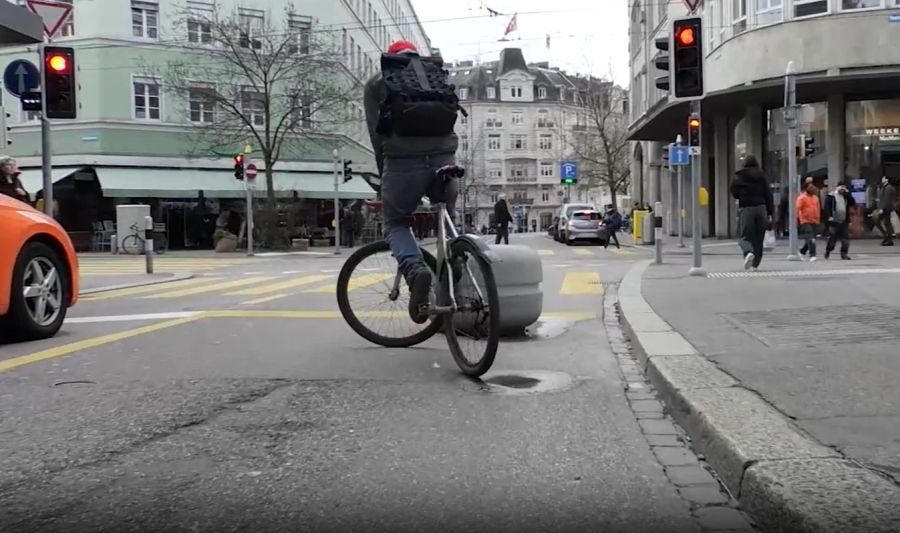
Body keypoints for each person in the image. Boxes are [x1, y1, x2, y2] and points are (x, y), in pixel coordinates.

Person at [364, 40, 461, 323]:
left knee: (396, 222)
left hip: (403, 163)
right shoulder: (437, 75)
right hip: (445, 158)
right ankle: (458, 258)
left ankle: (415, 270)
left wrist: (385, 175)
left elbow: (376, 135)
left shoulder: (378, 83)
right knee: (447, 214)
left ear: (391, 58)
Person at [731, 155, 774, 270]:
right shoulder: (762, 175)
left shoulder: (739, 175)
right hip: (762, 208)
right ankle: (755, 264)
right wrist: (770, 212)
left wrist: (741, 194)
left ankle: (748, 252)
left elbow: (734, 192)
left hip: (747, 208)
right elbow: (768, 194)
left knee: (744, 236)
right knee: (759, 238)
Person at [823, 181, 856, 260]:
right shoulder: (831, 196)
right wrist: (829, 216)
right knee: (832, 239)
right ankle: (828, 251)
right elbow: (827, 207)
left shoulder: (845, 196)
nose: (842, 189)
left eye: (843, 188)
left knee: (845, 239)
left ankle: (844, 254)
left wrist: (848, 194)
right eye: (841, 187)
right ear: (837, 187)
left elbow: (852, 203)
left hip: (844, 221)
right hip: (834, 221)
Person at [797, 182, 821, 262]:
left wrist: (818, 219)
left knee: (811, 238)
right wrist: (799, 220)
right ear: (806, 188)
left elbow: (818, 209)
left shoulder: (815, 198)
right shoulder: (802, 198)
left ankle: (802, 252)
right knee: (811, 239)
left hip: (814, 221)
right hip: (805, 221)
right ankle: (812, 254)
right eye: (810, 187)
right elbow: (798, 209)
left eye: (812, 187)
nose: (812, 189)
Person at [877, 176, 895, 246]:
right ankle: (887, 237)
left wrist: (882, 208)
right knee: (885, 223)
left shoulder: (888, 188)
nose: (882, 179)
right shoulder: (885, 187)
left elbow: (887, 200)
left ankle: (888, 239)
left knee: (886, 223)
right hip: (886, 208)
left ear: (887, 180)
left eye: (883, 178)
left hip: (886, 209)